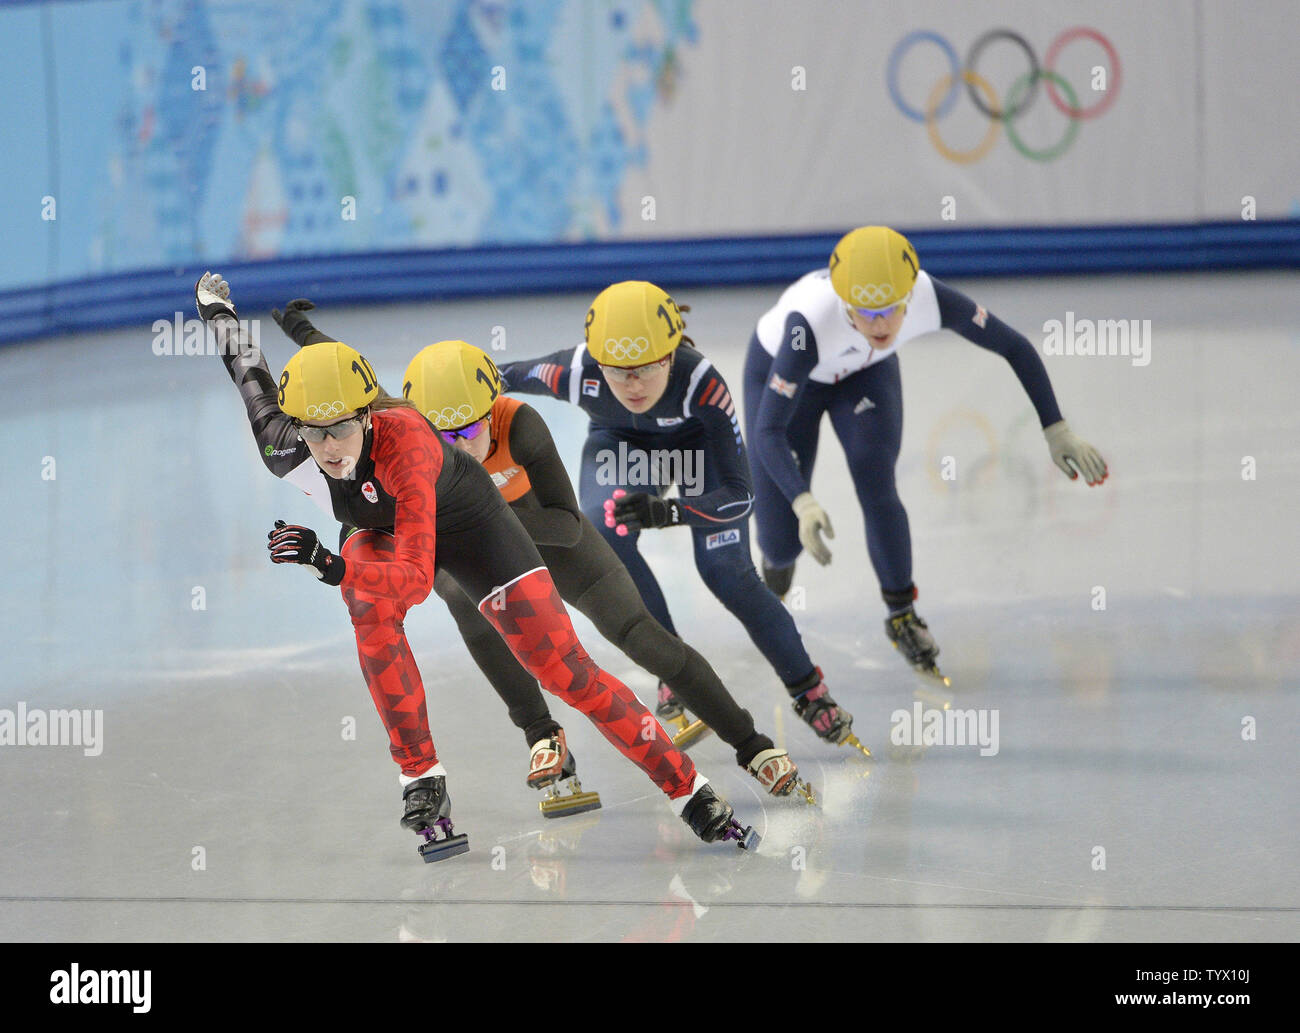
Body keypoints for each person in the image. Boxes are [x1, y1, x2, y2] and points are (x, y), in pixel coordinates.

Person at [194, 272, 758, 856]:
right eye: (313, 432)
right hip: (381, 529)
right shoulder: (282, 445)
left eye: (339, 428)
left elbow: (414, 582)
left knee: (566, 671)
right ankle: (421, 779)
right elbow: (248, 373)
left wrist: (329, 564)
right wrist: (218, 313)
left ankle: (688, 788)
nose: (328, 448)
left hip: (471, 525)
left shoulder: (406, 445)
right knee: (366, 607)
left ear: (366, 416)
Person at [496, 281, 870, 758]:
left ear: (672, 355)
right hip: (621, 447)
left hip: (698, 450)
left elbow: (739, 496)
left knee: (727, 574)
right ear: (597, 361)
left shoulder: (703, 384)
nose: (633, 384)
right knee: (604, 530)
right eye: (618, 371)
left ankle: (809, 689)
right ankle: (670, 663)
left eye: (647, 368)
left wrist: (671, 511)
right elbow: (491, 377)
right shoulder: (575, 370)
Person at [744, 225, 1109, 681]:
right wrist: (803, 500)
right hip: (786, 378)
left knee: (876, 480)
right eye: (866, 313)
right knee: (779, 539)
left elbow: (1013, 346)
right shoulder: (806, 327)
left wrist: (1056, 428)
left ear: (908, 297)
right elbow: (768, 431)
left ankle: (902, 616)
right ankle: (775, 579)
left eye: (891, 311)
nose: (880, 325)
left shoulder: (926, 295)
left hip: (863, 374)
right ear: (843, 304)